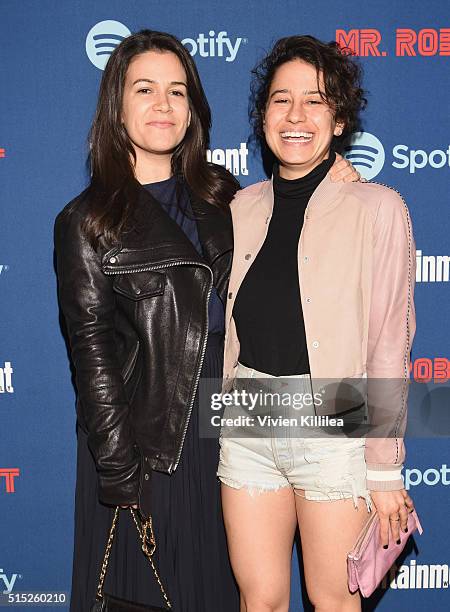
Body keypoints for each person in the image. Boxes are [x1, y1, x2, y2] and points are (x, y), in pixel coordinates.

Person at [55, 29, 358, 612]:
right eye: (145, 90)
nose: (163, 105)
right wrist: (121, 474)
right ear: (117, 104)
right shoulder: (87, 221)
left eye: (177, 91)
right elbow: (92, 359)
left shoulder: (226, 198)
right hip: (151, 450)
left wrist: (337, 181)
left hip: (239, 435)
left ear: (193, 107)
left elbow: (293, 252)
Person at [218, 35, 416, 611]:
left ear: (340, 117)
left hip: (336, 419)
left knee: (332, 602)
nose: (297, 115)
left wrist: (383, 469)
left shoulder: (378, 209)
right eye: (282, 100)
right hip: (247, 417)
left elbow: (387, 346)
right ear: (263, 117)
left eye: (316, 99)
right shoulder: (241, 207)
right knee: (260, 602)